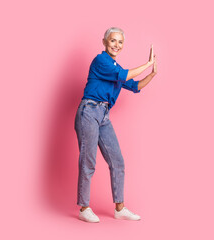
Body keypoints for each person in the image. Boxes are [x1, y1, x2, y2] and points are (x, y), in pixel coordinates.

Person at [74, 27, 157, 223]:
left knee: (117, 161)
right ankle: (84, 208)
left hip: (103, 115)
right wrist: (147, 63)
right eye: (113, 41)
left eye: (120, 42)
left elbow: (134, 85)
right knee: (89, 161)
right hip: (89, 111)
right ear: (105, 42)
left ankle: (120, 208)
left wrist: (152, 73)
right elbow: (124, 75)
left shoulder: (116, 70)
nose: (116, 45)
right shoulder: (101, 61)